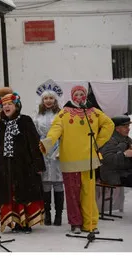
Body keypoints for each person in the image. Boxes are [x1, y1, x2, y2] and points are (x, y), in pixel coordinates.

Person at [40, 85, 114, 234]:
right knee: (72, 194)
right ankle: (76, 223)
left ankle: (90, 223)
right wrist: (48, 142)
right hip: (70, 159)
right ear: (72, 96)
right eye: (77, 94)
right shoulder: (64, 113)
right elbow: (55, 129)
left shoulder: (93, 112)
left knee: (89, 193)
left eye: (82, 94)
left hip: (89, 159)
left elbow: (109, 124)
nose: (79, 97)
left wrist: (97, 143)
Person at [0, 92, 45, 233]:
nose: (6, 107)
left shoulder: (25, 121)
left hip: (24, 165)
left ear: (16, 106)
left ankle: (26, 222)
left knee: (25, 192)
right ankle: (14, 222)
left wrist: (38, 164)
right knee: (9, 194)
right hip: (6, 165)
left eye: (9, 104)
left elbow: (34, 143)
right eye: (4, 105)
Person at [33, 88, 64, 226]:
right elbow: (34, 134)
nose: (48, 101)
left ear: (55, 100)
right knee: (45, 183)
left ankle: (58, 215)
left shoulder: (61, 114)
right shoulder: (37, 116)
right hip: (43, 150)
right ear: (42, 100)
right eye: (46, 98)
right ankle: (47, 214)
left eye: (51, 98)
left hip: (58, 150)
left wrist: (60, 148)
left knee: (58, 182)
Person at [100, 115, 132, 187]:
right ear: (117, 129)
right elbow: (106, 159)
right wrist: (124, 154)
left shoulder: (127, 139)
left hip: (125, 172)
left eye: (128, 126)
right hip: (113, 174)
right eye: (125, 127)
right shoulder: (109, 140)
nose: (128, 129)